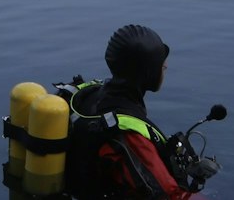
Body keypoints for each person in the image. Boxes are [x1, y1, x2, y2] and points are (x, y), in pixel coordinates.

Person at [64, 25, 194, 199]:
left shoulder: (88, 95)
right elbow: (168, 195)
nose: (165, 66)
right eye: (159, 63)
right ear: (146, 72)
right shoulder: (128, 134)